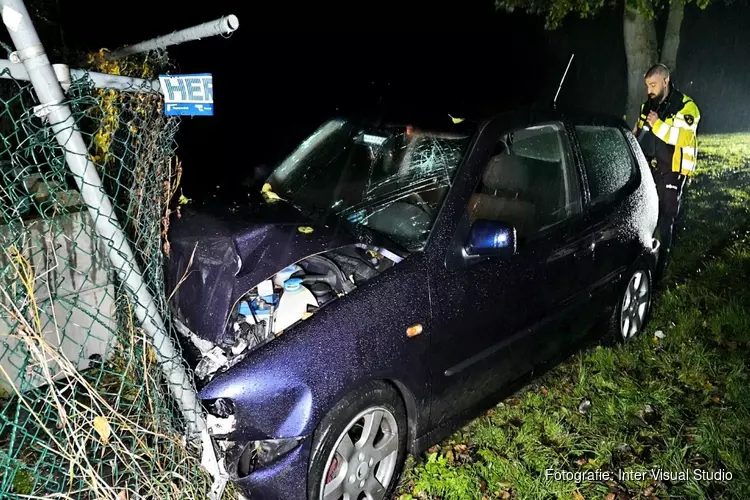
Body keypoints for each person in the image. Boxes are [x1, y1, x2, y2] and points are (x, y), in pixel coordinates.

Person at [633, 63, 701, 279]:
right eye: (647, 86)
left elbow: (684, 138)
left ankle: (661, 266)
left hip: (673, 169)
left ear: (666, 81)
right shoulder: (648, 107)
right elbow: (639, 134)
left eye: (653, 85)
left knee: (666, 217)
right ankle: (644, 254)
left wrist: (658, 125)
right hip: (651, 166)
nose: (649, 90)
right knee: (646, 211)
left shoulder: (686, 106)